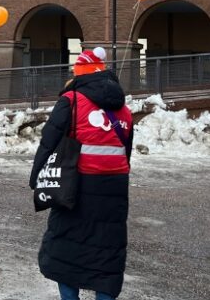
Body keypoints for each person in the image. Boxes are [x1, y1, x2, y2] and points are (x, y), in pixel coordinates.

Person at [30, 48, 132, 300]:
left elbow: (49, 142)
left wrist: (36, 178)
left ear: (79, 74)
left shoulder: (71, 100)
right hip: (114, 190)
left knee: (66, 256)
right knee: (106, 258)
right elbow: (125, 152)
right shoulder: (124, 110)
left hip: (75, 188)